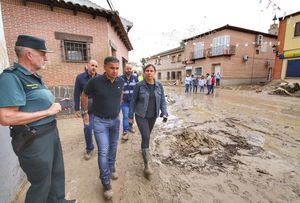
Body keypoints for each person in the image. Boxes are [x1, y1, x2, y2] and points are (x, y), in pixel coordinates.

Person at [0, 35, 76, 203]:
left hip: (50, 133)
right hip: (34, 139)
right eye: (42, 53)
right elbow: (6, 117)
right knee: (41, 183)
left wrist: (55, 106)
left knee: (56, 173)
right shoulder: (11, 77)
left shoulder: (33, 76)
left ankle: (58, 200)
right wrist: (48, 112)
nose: (46, 57)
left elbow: (34, 104)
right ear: (29, 54)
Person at [81, 56, 123, 200]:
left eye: (117, 68)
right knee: (103, 151)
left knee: (113, 147)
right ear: (105, 67)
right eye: (112, 68)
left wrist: (117, 109)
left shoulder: (121, 81)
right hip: (100, 122)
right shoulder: (95, 81)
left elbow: (120, 96)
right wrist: (85, 112)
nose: (115, 71)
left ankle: (111, 168)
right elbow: (84, 95)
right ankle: (106, 183)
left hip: (115, 121)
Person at [128, 64, 168, 177]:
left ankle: (143, 149)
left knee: (147, 136)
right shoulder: (139, 85)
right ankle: (147, 165)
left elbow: (162, 101)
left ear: (154, 72)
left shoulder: (159, 85)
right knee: (146, 136)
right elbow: (133, 101)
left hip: (153, 116)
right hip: (141, 115)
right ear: (144, 72)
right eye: (147, 70)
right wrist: (130, 116)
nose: (149, 73)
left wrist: (164, 112)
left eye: (151, 71)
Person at [74, 59, 98, 160]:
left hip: (99, 107)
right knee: (88, 128)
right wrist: (76, 108)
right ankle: (89, 148)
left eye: (96, 66)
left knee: (99, 128)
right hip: (86, 107)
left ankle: (103, 148)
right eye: (92, 65)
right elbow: (76, 93)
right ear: (87, 65)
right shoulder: (80, 78)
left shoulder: (100, 77)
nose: (94, 68)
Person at [120, 63, 138, 141]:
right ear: (125, 69)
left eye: (130, 69)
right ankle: (125, 131)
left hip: (133, 102)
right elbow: (118, 89)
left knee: (131, 115)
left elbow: (138, 89)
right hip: (124, 102)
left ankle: (130, 127)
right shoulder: (120, 78)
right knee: (125, 116)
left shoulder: (135, 78)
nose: (129, 70)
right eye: (127, 69)